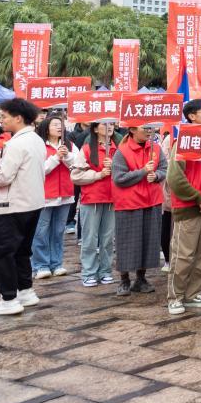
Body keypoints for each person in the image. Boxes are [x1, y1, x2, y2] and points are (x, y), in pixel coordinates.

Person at [166, 100, 201, 315]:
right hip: (189, 207)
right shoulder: (183, 142)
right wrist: (197, 197)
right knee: (183, 254)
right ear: (192, 116)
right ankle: (175, 297)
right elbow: (174, 178)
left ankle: (193, 293)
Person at [0, 99, 45, 315]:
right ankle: (25, 291)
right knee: (22, 250)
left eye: (4, 116)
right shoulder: (36, 139)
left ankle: (9, 298)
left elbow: (4, 177)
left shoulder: (16, 143)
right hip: (32, 203)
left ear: (18, 118)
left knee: (2, 252)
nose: (1, 120)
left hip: (11, 205)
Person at [112, 124, 167, 296]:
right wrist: (142, 172)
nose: (149, 131)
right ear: (132, 130)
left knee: (148, 242)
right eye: (145, 128)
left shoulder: (156, 148)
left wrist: (156, 175)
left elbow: (164, 168)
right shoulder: (122, 151)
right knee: (127, 242)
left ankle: (141, 279)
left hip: (152, 201)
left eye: (150, 128)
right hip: (129, 203)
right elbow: (119, 178)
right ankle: (124, 280)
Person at [71, 119, 116, 287]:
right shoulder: (87, 149)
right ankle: (89, 272)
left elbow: (126, 172)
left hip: (113, 199)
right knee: (90, 239)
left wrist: (114, 166)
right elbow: (76, 176)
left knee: (108, 239)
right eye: (104, 124)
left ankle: (106, 271)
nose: (109, 127)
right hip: (92, 199)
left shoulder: (118, 149)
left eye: (112, 124)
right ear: (95, 129)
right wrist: (98, 175)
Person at [32, 113, 76, 279]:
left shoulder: (69, 145)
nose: (59, 127)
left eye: (60, 124)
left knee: (58, 232)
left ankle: (56, 264)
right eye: (55, 124)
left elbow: (78, 165)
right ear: (46, 128)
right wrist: (56, 157)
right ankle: (40, 265)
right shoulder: (39, 146)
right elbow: (40, 170)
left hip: (65, 194)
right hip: (45, 196)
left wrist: (66, 156)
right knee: (41, 232)